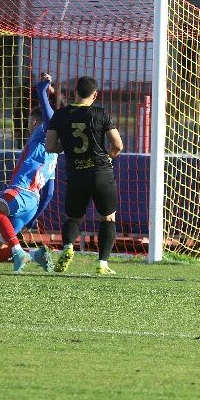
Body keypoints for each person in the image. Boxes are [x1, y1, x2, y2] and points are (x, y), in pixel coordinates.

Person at [45, 75, 123, 275]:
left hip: (76, 174)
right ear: (95, 95)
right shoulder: (100, 113)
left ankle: (68, 246)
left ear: (75, 93)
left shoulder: (60, 115)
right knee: (107, 217)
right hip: (101, 173)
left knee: (73, 217)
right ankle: (102, 263)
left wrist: (69, 146)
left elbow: (51, 146)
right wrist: (109, 157)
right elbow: (117, 145)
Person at [0, 73, 59, 272]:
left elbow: (51, 119)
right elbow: (50, 192)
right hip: (31, 204)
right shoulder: (52, 156)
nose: (26, 125)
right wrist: (35, 218)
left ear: (34, 122)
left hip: (22, 192)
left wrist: (41, 92)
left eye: (28, 121)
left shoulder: (41, 134)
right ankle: (35, 255)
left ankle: (18, 251)